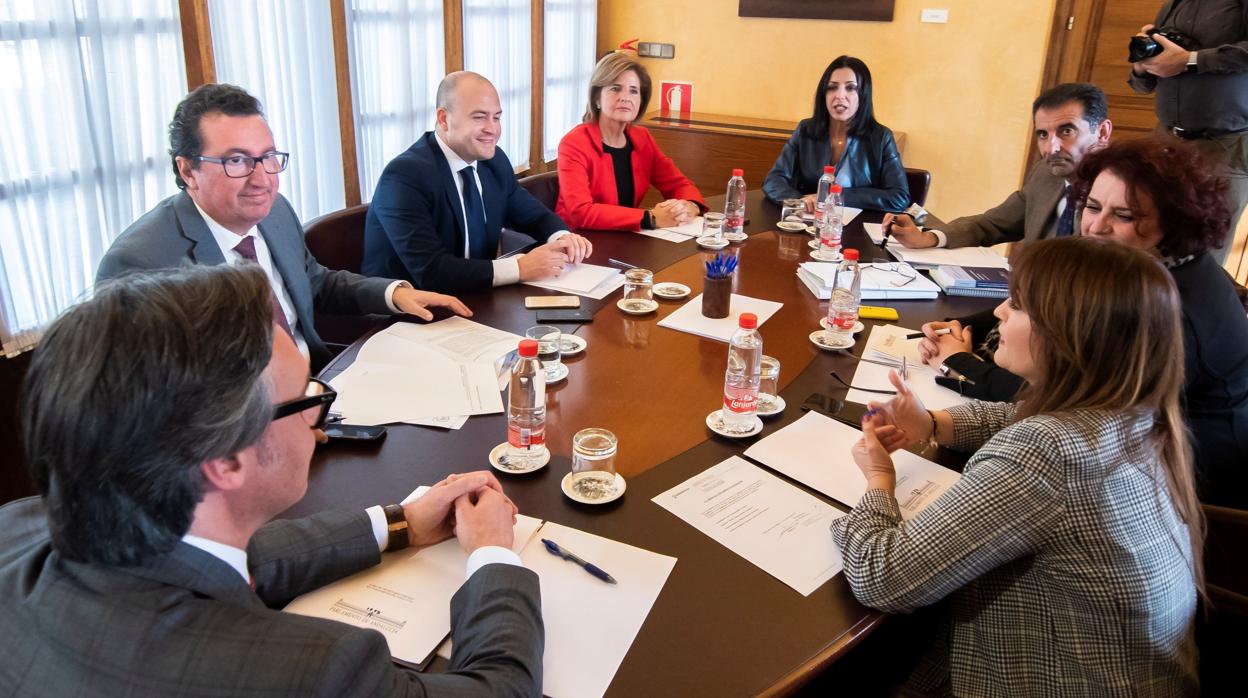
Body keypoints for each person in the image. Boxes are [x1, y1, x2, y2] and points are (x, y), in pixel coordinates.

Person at [0, 264, 542, 696]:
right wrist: (493, 556)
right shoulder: (312, 671)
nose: (319, 416)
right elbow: (501, 689)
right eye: (306, 398)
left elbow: (203, 562)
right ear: (225, 460)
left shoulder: (20, 524)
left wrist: (398, 524)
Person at [833, 237, 1203, 696]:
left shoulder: (1048, 454)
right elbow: (1015, 415)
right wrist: (931, 422)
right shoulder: (1134, 414)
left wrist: (878, 480)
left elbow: (882, 577)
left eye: (1020, 304)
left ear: (1073, 336)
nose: (1001, 312)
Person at [918, 137, 1248, 507]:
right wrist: (962, 324)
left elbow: (1070, 406)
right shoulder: (1145, 270)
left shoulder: (1167, 311)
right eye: (1092, 206)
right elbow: (1045, 308)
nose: (1096, 226)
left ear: (1174, 224)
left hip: (1191, 487)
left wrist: (960, 362)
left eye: (1124, 216)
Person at [97, 84, 469, 373]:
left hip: (323, 385)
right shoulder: (139, 264)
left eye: (268, 158)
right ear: (187, 170)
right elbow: (155, 402)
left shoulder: (274, 211)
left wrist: (396, 294)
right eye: (237, 161)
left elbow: (315, 282)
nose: (262, 179)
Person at [364, 71, 593, 294]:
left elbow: (534, 215)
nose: (492, 129)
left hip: (475, 298)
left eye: (496, 117)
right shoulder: (405, 175)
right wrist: (520, 268)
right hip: (409, 314)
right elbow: (431, 271)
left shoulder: (493, 161)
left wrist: (562, 238)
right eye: (479, 117)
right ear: (444, 119)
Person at [884, 82, 1112, 249]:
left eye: (1066, 131)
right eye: (1043, 134)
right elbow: (989, 224)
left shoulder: (1123, 194)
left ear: (1102, 132)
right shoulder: (1046, 174)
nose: (1051, 147)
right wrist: (928, 237)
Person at [1129, 0, 1248, 266]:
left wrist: (1189, 60)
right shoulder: (1175, 3)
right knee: (1142, 246)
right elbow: (1142, 85)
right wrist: (1142, 63)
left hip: (1225, 146)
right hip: (1165, 141)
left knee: (1201, 257)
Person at [555, 52, 705, 232]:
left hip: (626, 239)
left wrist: (690, 206)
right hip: (578, 243)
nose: (625, 97)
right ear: (596, 98)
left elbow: (678, 184)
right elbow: (580, 212)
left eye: (633, 90)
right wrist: (649, 218)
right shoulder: (574, 143)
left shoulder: (642, 138)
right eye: (615, 88)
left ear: (641, 101)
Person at [762, 56, 909, 212]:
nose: (839, 95)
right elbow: (773, 181)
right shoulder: (806, 130)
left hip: (856, 229)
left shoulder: (881, 137)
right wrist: (800, 201)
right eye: (832, 87)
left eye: (850, 88)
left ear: (863, 94)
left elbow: (898, 197)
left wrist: (835, 196)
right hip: (810, 223)